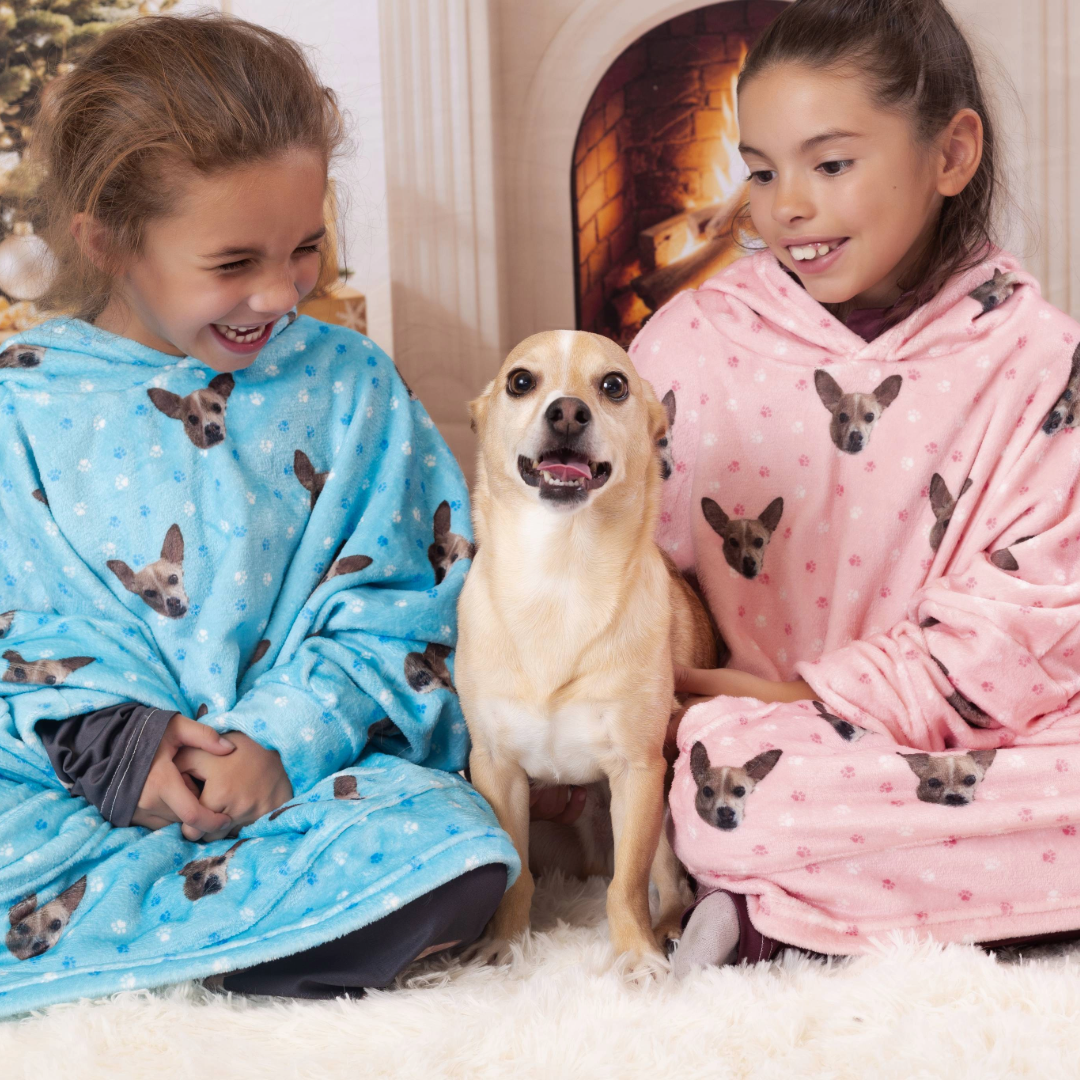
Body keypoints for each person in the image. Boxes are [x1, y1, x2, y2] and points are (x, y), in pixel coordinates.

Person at [0, 14, 516, 1015]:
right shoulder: (19, 403)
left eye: (307, 248)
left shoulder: (352, 385)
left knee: (456, 845)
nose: (280, 292)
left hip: (301, 790)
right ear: (105, 239)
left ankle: (182, 951)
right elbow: (17, 620)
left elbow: (415, 601)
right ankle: (228, 947)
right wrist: (114, 745)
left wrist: (283, 741)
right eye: (234, 264)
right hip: (66, 794)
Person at [627, 0, 1080, 973]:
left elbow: (1039, 616)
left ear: (952, 154)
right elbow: (617, 574)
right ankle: (869, 892)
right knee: (730, 783)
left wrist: (811, 691)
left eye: (830, 164)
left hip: (995, 729)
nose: (785, 205)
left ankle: (786, 910)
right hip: (771, 751)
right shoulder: (692, 347)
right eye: (760, 170)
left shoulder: (1037, 355)